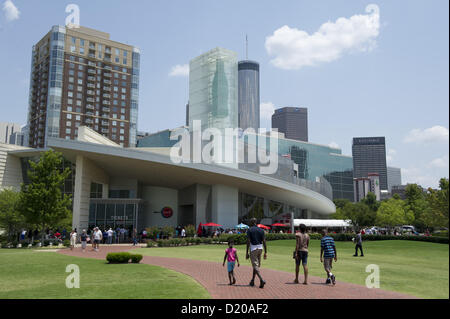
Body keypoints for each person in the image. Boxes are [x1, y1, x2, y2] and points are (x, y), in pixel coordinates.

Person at [246, 218, 267, 288]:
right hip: (260, 248)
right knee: (256, 266)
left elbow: (248, 241)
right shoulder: (261, 230)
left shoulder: (249, 230)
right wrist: (266, 252)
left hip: (253, 248)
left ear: (252, 222)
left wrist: (247, 252)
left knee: (255, 265)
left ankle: (261, 280)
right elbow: (264, 241)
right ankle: (252, 280)